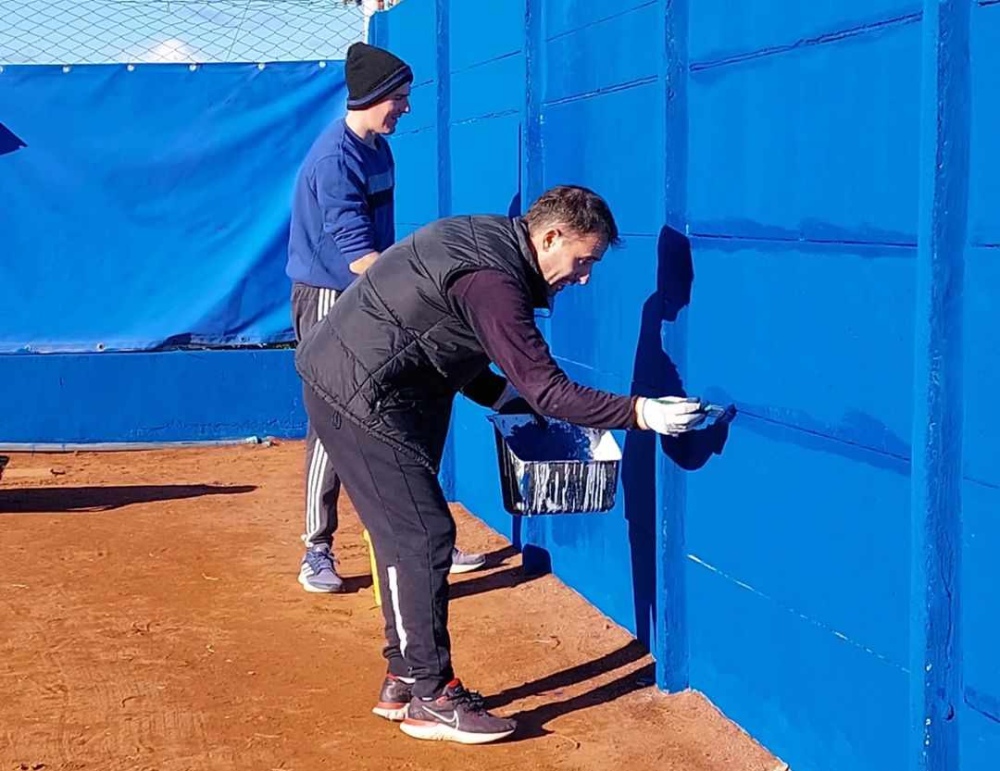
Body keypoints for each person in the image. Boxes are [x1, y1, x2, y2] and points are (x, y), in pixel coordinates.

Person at [294, 185, 712, 744]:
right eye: (583, 259)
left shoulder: (490, 241)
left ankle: (404, 676)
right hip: (363, 394)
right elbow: (548, 390)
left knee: (403, 536)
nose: (584, 276)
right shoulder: (495, 280)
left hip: (356, 379)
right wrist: (640, 413)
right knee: (422, 535)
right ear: (551, 236)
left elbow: (447, 336)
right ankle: (430, 695)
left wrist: (510, 403)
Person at [285, 42, 485, 593]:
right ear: (373, 98)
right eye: (399, 98)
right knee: (333, 419)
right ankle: (316, 551)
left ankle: (416, 538)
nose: (406, 108)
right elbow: (357, 254)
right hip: (331, 294)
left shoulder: (379, 150)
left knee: (397, 412)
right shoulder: (336, 160)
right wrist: (417, 295)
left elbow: (379, 249)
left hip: (371, 293)